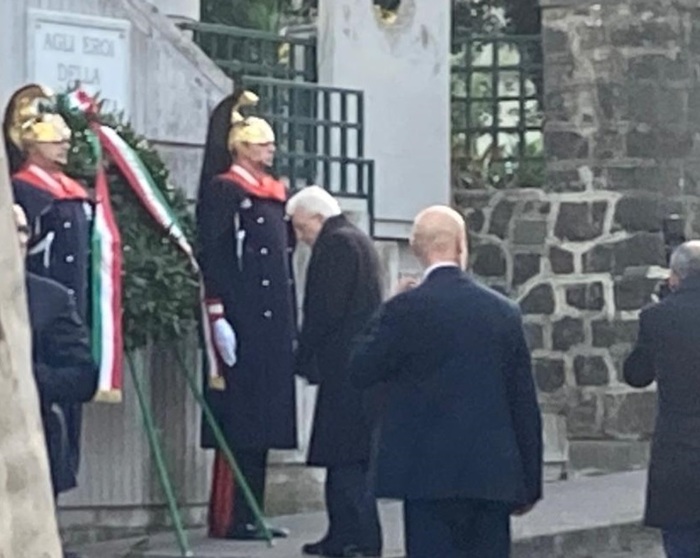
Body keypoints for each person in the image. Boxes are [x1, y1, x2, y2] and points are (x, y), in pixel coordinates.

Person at [348, 206, 543, 558]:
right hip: (490, 473)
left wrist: (386, 307)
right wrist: (530, 482)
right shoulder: (502, 311)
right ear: (461, 245)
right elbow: (523, 403)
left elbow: (361, 368)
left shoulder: (405, 310)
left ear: (417, 249)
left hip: (426, 475)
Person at [196, 89, 297, 540]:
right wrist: (218, 313)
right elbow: (216, 254)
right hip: (240, 317)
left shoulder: (274, 194)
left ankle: (254, 509)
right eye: (261, 143)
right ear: (239, 146)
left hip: (271, 323)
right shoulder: (225, 190)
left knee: (263, 423)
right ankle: (232, 514)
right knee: (239, 421)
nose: (270, 150)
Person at [4, 84, 94, 495]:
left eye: (66, 141)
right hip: (30, 311)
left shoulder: (71, 191)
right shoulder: (24, 189)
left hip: (60, 311)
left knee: (63, 425)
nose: (63, 147)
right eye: (54, 141)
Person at [286, 186, 383, 558]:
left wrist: (303, 353)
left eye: (300, 227)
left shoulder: (336, 245)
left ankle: (356, 538)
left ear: (316, 217)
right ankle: (343, 534)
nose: (300, 237)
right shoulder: (356, 239)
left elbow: (324, 311)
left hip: (344, 368)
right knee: (346, 458)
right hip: (355, 368)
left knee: (345, 460)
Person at [14, 204, 97, 558]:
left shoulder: (50, 298)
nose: (14, 238)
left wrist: (26, 376)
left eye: (21, 230)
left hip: (29, 441)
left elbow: (82, 377)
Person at [624, 240, 700, 558]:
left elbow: (637, 374)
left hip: (679, 457)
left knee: (683, 544)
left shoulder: (657, 318)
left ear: (674, 276)